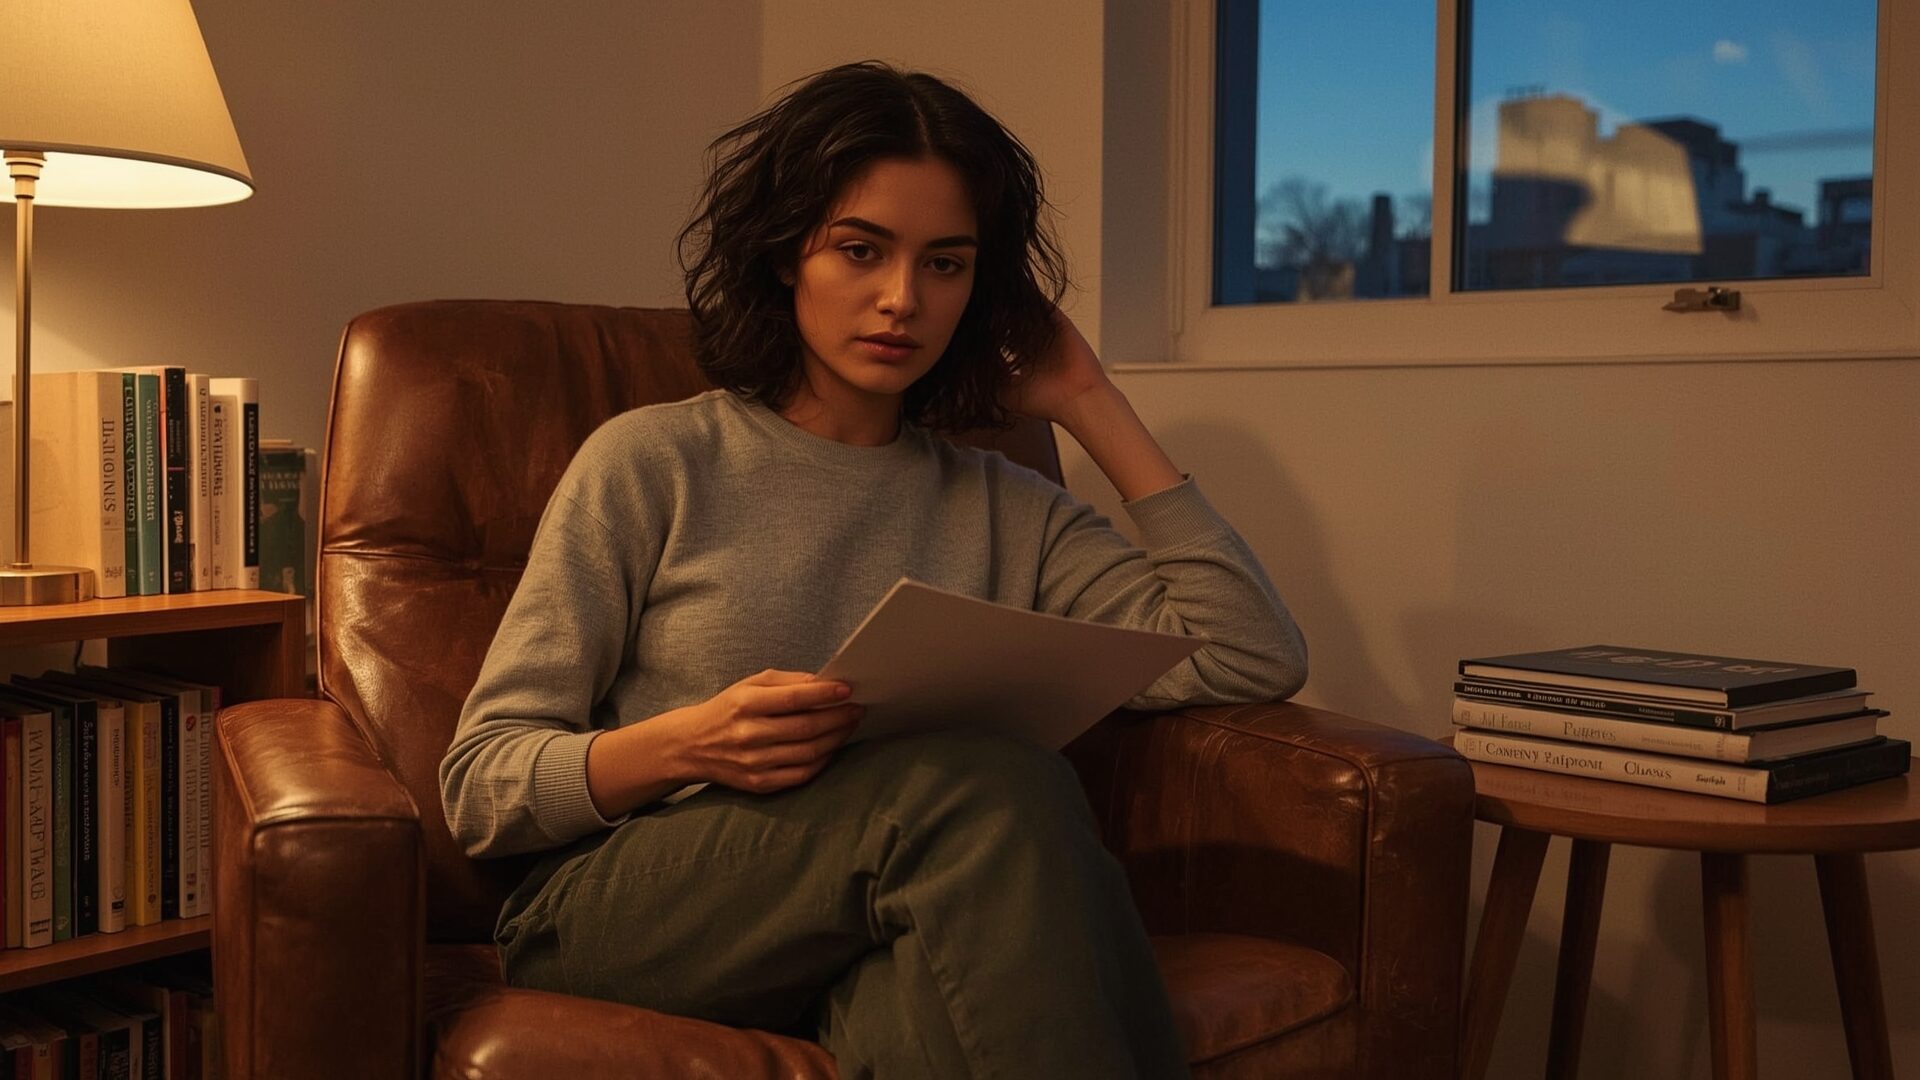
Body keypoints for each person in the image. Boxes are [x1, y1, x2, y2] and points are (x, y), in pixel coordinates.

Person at [440, 60, 1308, 1079]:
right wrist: (689, 744)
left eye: (945, 265)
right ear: (783, 257)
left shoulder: (1005, 506)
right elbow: (480, 784)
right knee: (991, 785)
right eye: (861, 250)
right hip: (623, 907)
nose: (902, 299)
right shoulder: (655, 462)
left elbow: (1250, 652)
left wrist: (1089, 399)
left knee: (931, 986)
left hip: (889, 896)